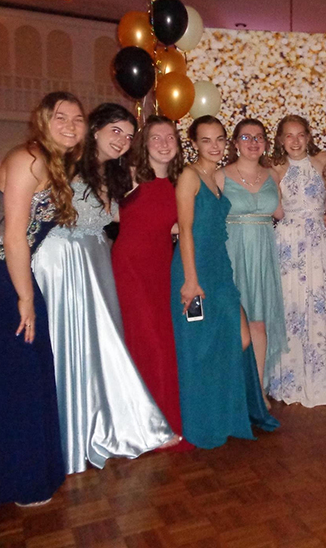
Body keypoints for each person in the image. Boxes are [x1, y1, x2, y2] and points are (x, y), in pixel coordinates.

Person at [0, 92, 82, 509]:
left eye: (78, 119)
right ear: (43, 120)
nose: (70, 125)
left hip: (4, 273)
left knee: (16, 372)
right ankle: (16, 479)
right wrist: (26, 297)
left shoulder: (54, 163)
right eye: (61, 116)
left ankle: (10, 474)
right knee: (15, 372)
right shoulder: (30, 158)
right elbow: (12, 236)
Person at [32, 103, 174, 474]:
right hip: (62, 262)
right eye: (116, 131)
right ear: (94, 129)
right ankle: (67, 431)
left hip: (97, 261)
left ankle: (107, 425)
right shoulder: (63, 162)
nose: (123, 141)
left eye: (129, 136)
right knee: (69, 345)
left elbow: (130, 216)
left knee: (102, 346)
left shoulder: (113, 174)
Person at [171, 115, 278, 448]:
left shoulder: (214, 177)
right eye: (206, 140)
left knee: (239, 338)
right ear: (193, 143)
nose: (214, 146)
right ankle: (205, 419)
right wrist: (190, 280)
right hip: (196, 269)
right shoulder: (189, 176)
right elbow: (185, 229)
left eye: (219, 139)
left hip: (219, 268)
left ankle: (227, 410)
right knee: (200, 347)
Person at [111, 115, 191, 450]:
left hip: (162, 270)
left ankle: (160, 419)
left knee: (163, 343)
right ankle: (150, 426)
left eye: (169, 136)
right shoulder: (128, 176)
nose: (163, 142)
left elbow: (176, 228)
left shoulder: (178, 185)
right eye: (155, 137)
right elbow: (107, 211)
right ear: (144, 145)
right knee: (147, 343)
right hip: (130, 268)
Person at [269, 115, 326, 406]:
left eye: (300, 135)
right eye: (289, 135)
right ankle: (289, 379)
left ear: (309, 136)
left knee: (318, 304)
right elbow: (274, 210)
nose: (295, 141)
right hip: (288, 243)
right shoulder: (275, 167)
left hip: (316, 244)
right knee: (291, 307)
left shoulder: (322, 160)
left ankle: (320, 379)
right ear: (280, 139)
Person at [221, 118, 288, 402]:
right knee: (234, 323)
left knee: (259, 323)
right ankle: (232, 389)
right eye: (246, 137)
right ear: (235, 143)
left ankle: (258, 389)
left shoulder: (272, 175)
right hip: (231, 250)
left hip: (263, 252)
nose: (253, 142)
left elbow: (281, 213)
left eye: (259, 137)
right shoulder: (219, 176)